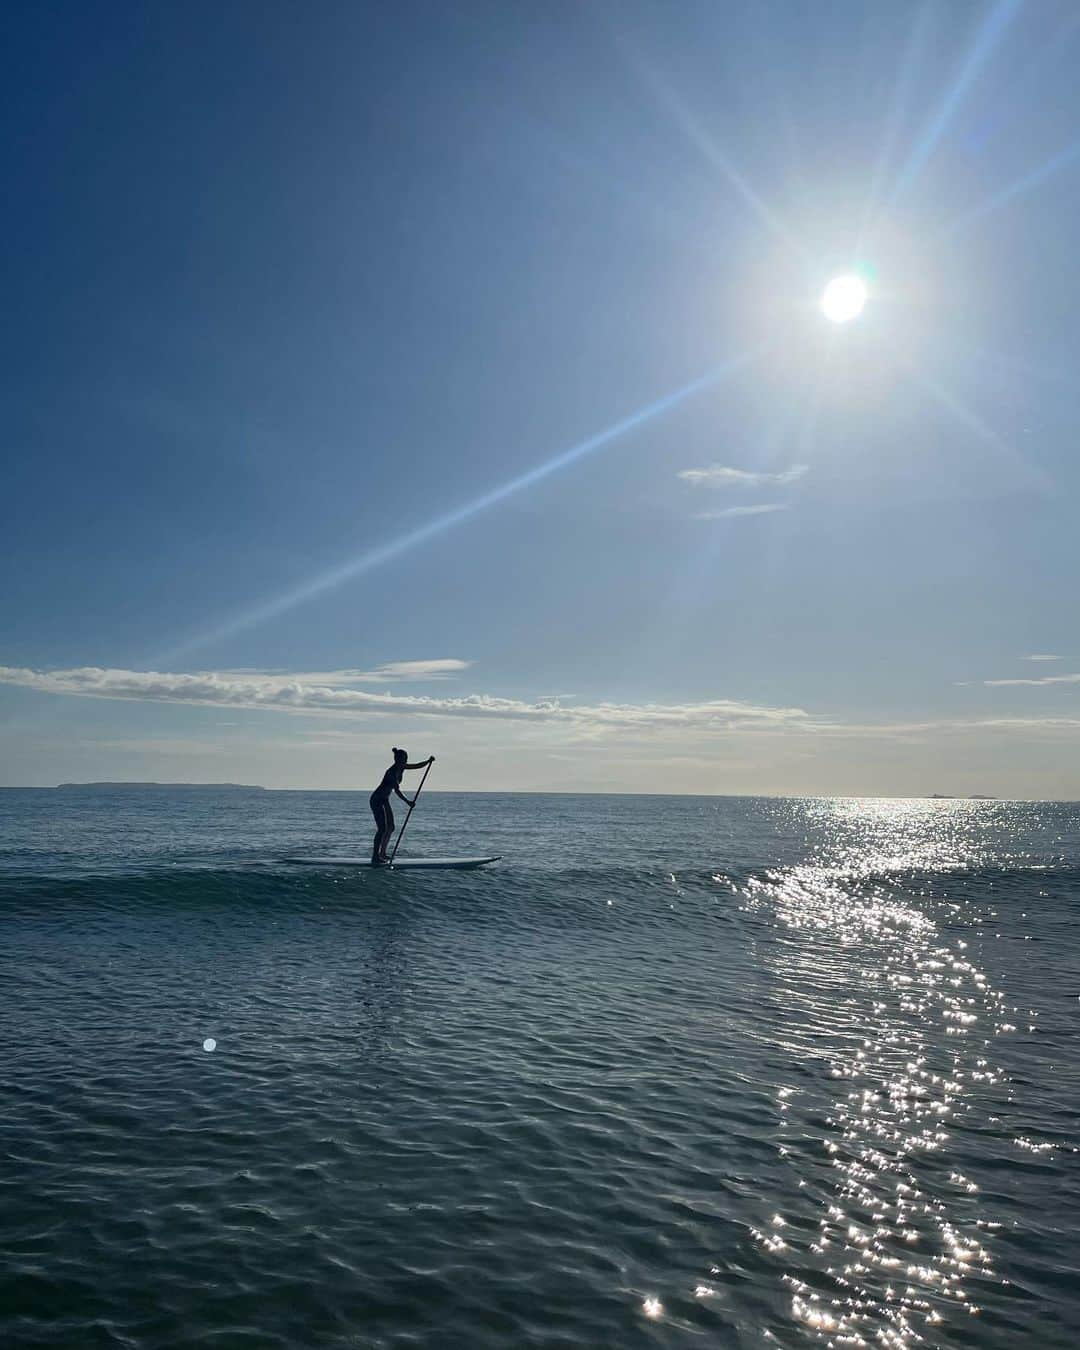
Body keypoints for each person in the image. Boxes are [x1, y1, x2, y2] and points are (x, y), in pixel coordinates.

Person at [370, 748, 434, 864]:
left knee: (391, 827)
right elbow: (397, 791)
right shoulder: (391, 772)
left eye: (406, 759)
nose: (406, 761)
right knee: (382, 828)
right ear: (398, 760)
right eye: (404, 759)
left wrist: (428, 761)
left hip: (384, 799)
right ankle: (375, 856)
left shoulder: (402, 767)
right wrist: (408, 802)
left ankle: (382, 854)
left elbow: (416, 766)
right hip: (376, 800)